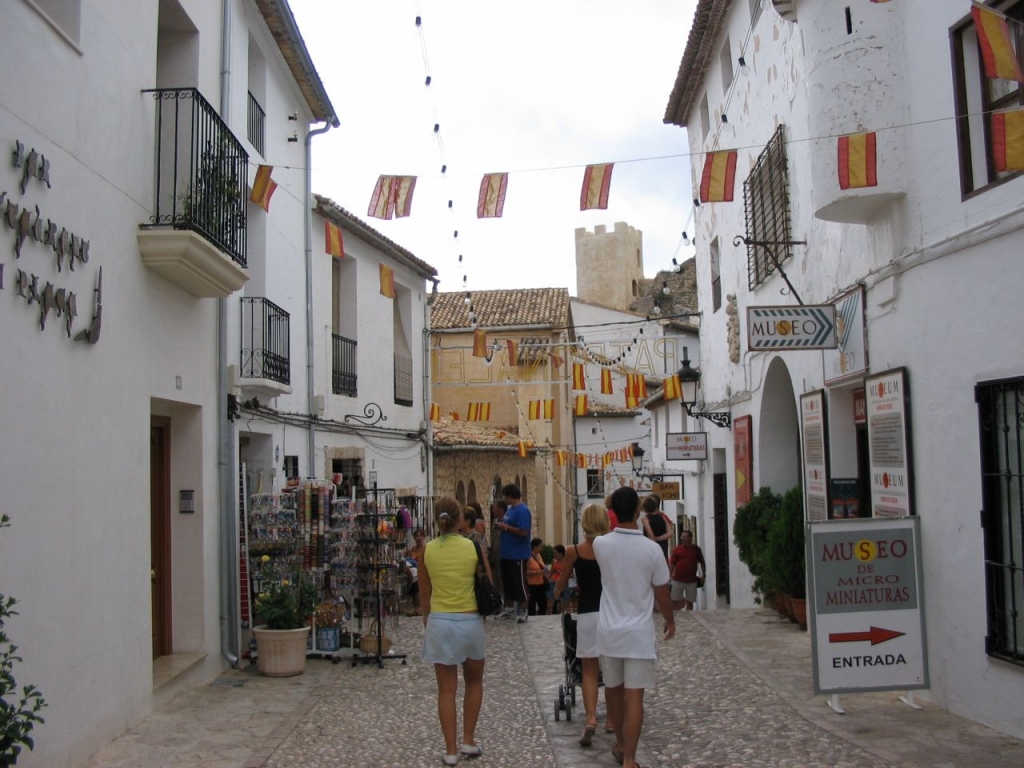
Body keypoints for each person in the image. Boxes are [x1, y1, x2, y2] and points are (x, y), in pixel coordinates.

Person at [593, 486, 675, 768]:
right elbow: (662, 591)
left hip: (609, 630)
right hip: (638, 633)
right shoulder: (652, 550)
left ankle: (619, 743)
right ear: (638, 511)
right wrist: (669, 620)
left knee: (613, 690)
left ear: (612, 512)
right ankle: (629, 758)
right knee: (635, 698)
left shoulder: (600, 545)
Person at [418, 497, 487, 765]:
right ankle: (468, 740)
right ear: (460, 520)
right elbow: (485, 582)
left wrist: (427, 618)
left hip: (440, 621)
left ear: (437, 520)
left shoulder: (427, 550)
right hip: (469, 621)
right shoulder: (472, 546)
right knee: (474, 682)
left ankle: (449, 750)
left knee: (446, 690)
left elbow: (425, 592)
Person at [553, 504, 610, 748]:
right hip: (611, 613)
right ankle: (613, 721)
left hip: (587, 614)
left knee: (588, 671)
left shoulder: (573, 550)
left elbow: (562, 582)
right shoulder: (612, 549)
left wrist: (556, 596)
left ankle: (590, 718)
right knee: (612, 670)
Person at [495, 483, 532, 623]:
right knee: (507, 583)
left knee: (519, 583)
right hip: (507, 553)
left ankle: (523, 610)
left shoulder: (523, 511)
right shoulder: (510, 510)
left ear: (511, 496)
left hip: (518, 553)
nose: (504, 499)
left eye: (505, 496)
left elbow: (524, 532)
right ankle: (509, 609)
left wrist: (506, 528)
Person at [669, 529, 706, 611]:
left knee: (690, 601)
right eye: (682, 536)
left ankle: (689, 617)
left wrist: (703, 574)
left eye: (685, 537)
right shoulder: (677, 549)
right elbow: (672, 563)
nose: (682, 538)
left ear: (690, 538)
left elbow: (702, 562)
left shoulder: (696, 549)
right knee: (675, 600)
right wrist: (669, 575)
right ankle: (676, 617)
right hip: (678, 579)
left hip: (691, 580)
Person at [640, 494, 675, 562]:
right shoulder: (663, 517)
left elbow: (650, 533)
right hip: (663, 546)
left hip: (651, 547)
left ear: (644, 508)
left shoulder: (645, 519)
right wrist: (659, 538)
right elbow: (670, 533)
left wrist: (654, 540)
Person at [526, 538, 548, 616]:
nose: (541, 548)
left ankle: (541, 616)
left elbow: (542, 566)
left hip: (541, 582)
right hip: (532, 584)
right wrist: (538, 572)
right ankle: (531, 616)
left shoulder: (539, 555)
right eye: (540, 546)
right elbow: (525, 571)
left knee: (543, 602)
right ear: (534, 547)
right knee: (532, 602)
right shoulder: (529, 557)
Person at [548, 545, 571, 614]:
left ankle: (566, 618)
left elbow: (571, 574)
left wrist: (564, 575)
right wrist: (548, 580)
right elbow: (551, 573)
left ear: (560, 553)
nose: (554, 555)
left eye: (555, 553)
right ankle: (548, 617)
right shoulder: (554, 561)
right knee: (549, 604)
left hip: (564, 583)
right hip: (553, 582)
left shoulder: (567, 561)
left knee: (566, 604)